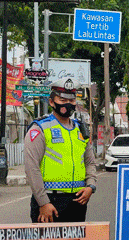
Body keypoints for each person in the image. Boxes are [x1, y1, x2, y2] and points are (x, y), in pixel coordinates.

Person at [24, 78, 97, 223]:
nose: (68, 104)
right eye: (62, 100)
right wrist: (43, 202)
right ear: (52, 102)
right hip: (50, 201)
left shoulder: (80, 129)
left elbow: (89, 162)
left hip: (78, 201)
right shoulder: (40, 128)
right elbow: (32, 168)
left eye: (72, 100)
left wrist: (90, 186)